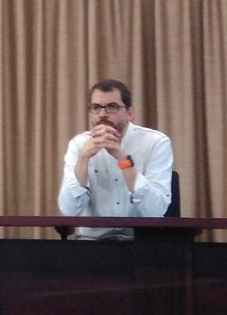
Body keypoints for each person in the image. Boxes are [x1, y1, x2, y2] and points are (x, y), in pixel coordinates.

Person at [57, 78, 173, 239]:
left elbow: (156, 211)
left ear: (129, 113)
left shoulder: (156, 142)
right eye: (96, 107)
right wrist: (83, 158)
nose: (103, 114)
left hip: (140, 242)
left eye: (112, 107)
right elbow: (69, 211)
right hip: (92, 242)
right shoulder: (79, 145)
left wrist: (122, 159)